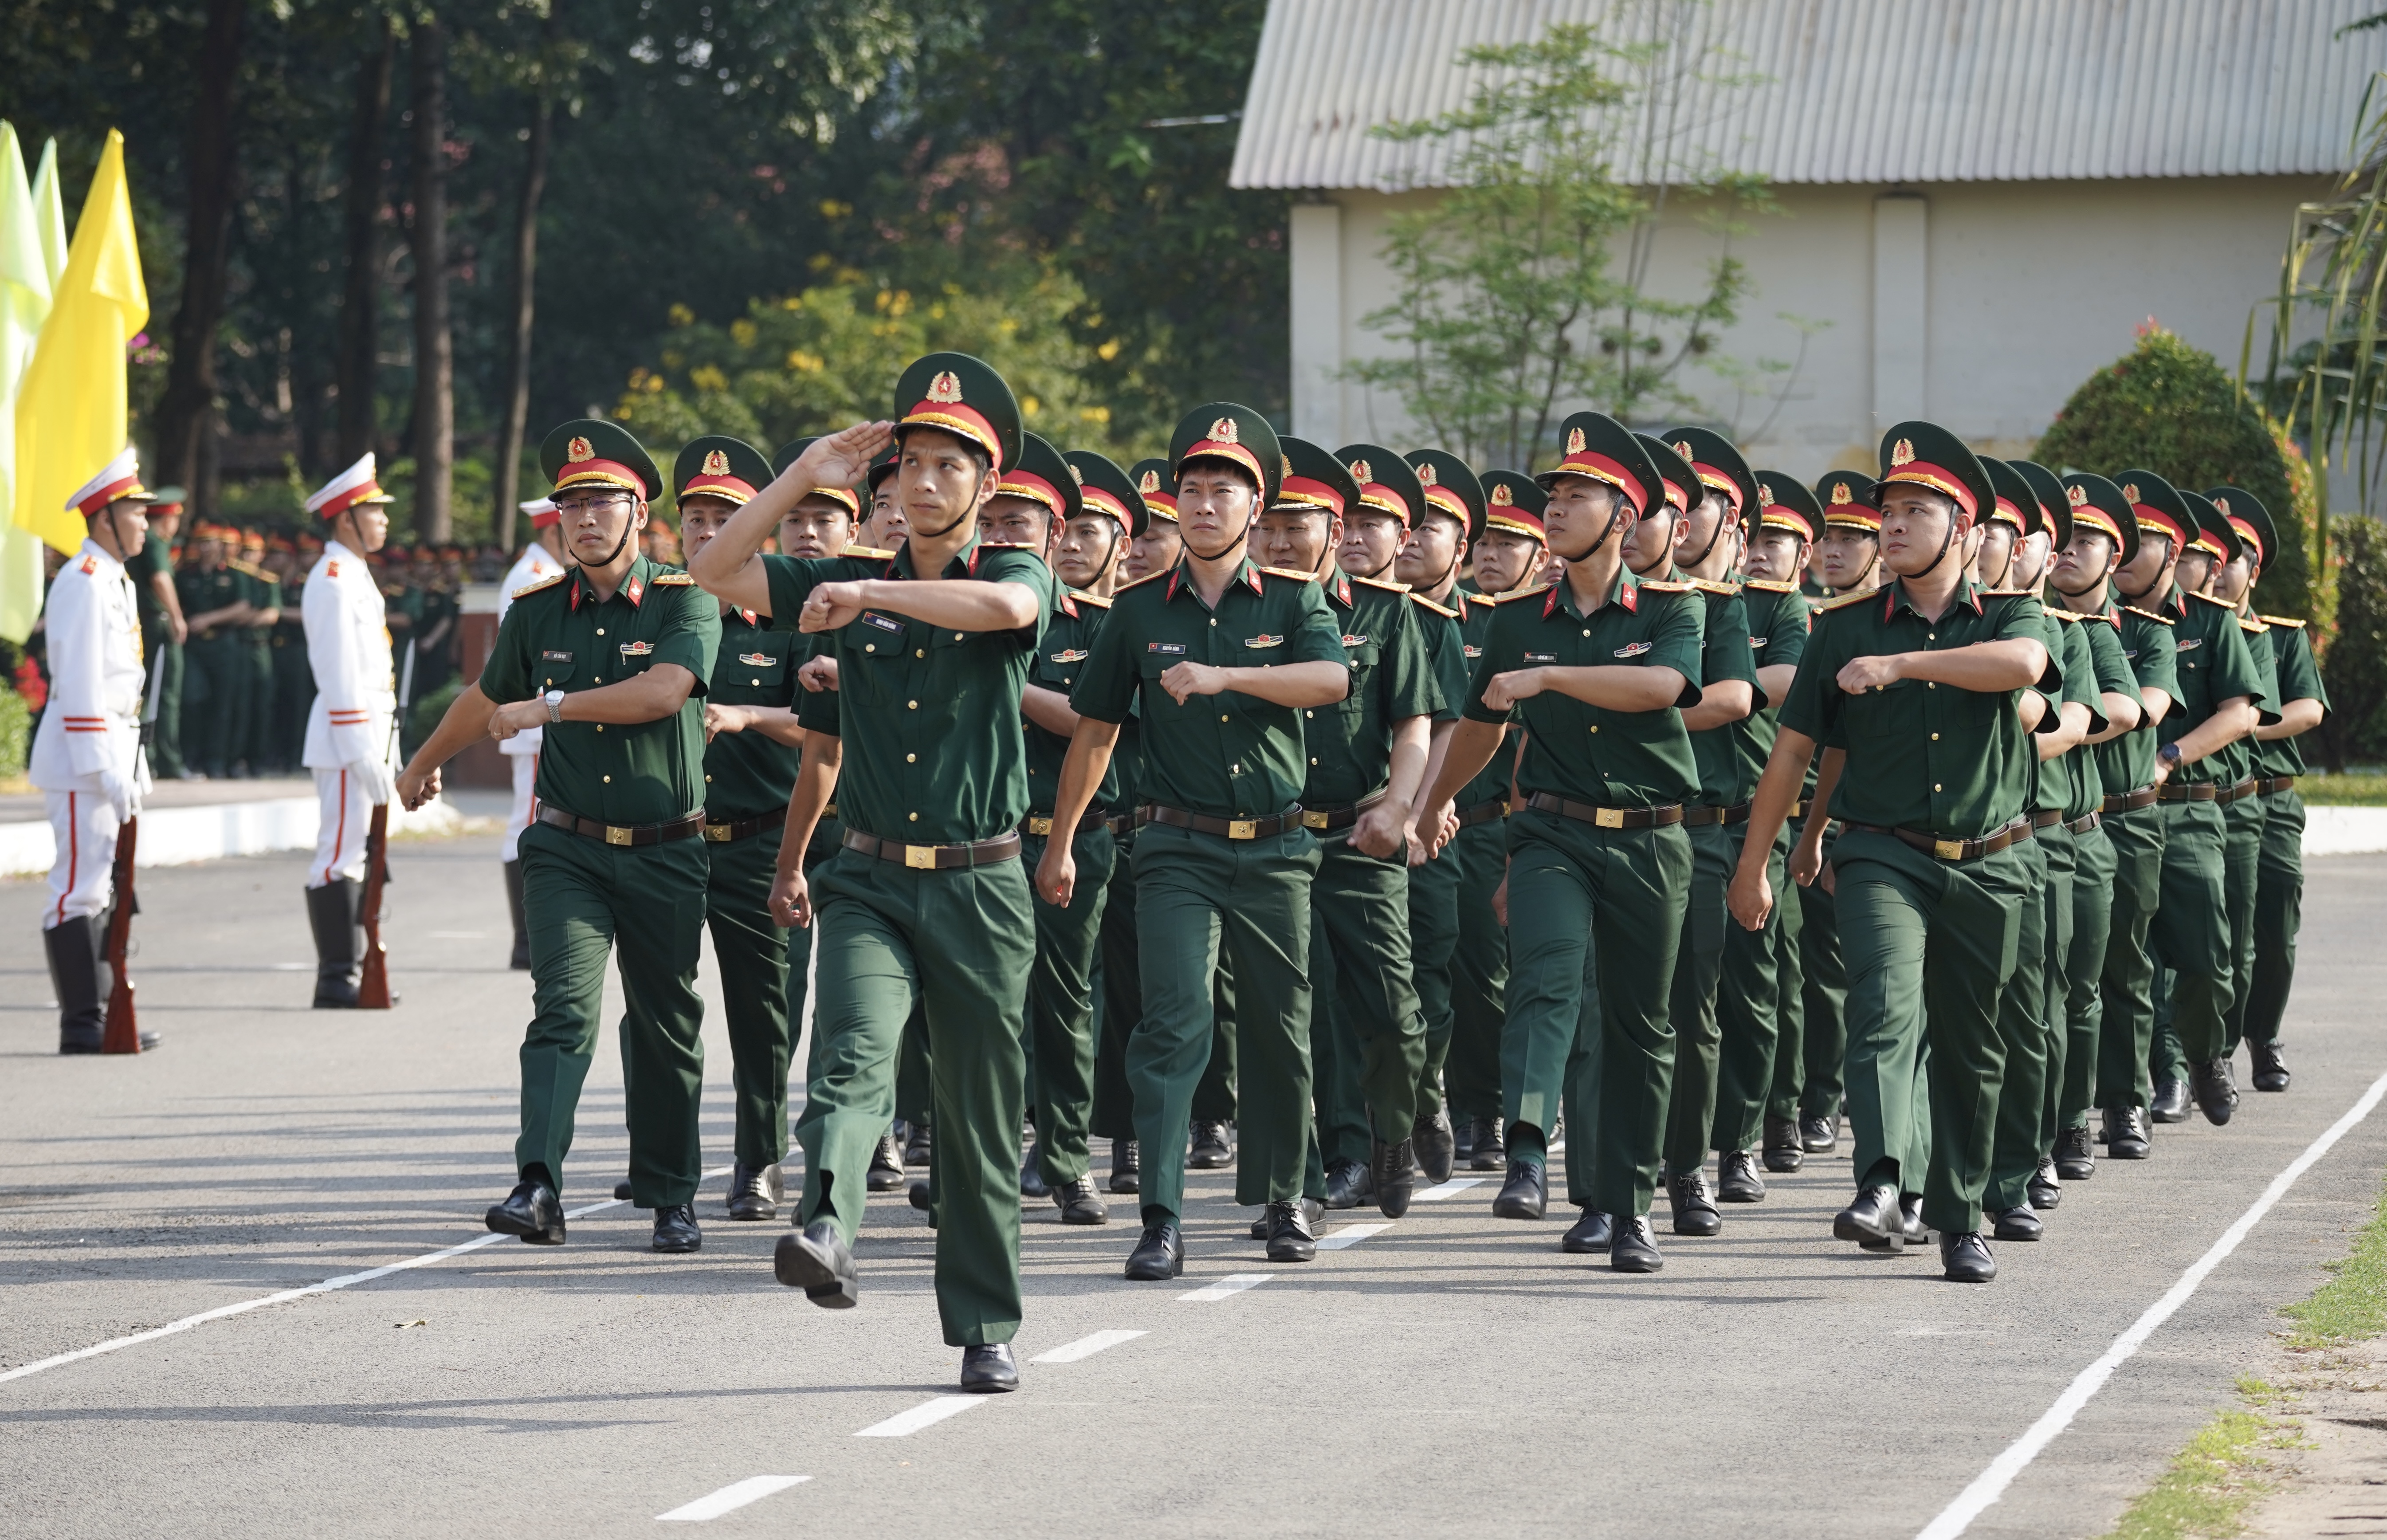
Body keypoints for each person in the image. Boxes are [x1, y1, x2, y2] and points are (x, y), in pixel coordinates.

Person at [688, 354, 1048, 1395]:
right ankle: (827, 1230)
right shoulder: (842, 578)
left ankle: (983, 1324)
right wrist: (803, 472)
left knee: (978, 1118)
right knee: (848, 1059)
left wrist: (867, 587)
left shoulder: (1013, 566)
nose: (923, 484)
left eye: (948, 466)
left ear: (985, 485)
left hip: (981, 887)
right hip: (872, 881)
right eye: (909, 466)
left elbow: (1009, 618)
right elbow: (716, 570)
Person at [1729, 423, 2060, 1285]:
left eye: (1918, 510)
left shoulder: (2013, 613)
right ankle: (1879, 1181)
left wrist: (1906, 664)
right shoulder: (1839, 631)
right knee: (1883, 1004)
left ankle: (1957, 1214)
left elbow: (2025, 664)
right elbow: (1795, 753)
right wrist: (1757, 859)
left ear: (1963, 525)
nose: (1896, 525)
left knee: (1971, 1042)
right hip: (1882, 852)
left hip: (1991, 860)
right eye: (1890, 511)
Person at [1039, 404, 1349, 1279]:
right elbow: (1095, 730)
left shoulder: (1295, 596)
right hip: (1175, 846)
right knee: (1174, 1022)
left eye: (1225, 491)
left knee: (1280, 1027)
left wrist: (1229, 676)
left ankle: (1286, 1196)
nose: (1205, 504)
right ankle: (1162, 1212)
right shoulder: (1136, 612)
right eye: (1192, 489)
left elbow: (1330, 678)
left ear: (1257, 509)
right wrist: (1063, 841)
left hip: (1278, 848)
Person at [399, 420, 720, 1257]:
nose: (581, 520)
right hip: (567, 846)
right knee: (562, 1011)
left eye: (599, 503)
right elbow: (486, 693)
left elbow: (661, 692)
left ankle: (669, 1194)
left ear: (637, 510)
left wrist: (552, 708)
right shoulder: (539, 611)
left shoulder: (687, 599)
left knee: (663, 1022)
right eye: (569, 505)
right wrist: (425, 761)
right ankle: (537, 1183)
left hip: (665, 847)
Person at [1415, 411, 1703, 1271]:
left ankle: (1630, 1204)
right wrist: (1434, 801)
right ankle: (1530, 1148)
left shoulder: (1670, 606)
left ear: (1622, 516)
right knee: (1545, 979)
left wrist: (1546, 676)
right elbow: (1479, 725)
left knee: (1640, 1026)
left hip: (1653, 840)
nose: (1556, 507)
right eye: (1555, 494)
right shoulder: (1512, 617)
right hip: (1550, 829)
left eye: (1577, 496)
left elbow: (1661, 687)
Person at [1260, 440, 1437, 1221]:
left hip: (1361, 840)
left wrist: (1400, 807)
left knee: (1394, 1012)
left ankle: (1393, 1133)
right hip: (1273, 839)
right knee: (1306, 1010)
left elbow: (1413, 725)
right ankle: (1341, 1156)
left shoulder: (1384, 611)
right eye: (1266, 526)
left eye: (1293, 526)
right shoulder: (1241, 610)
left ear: (1331, 531)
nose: (1275, 542)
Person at [668, 435, 817, 1224]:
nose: (704, 531)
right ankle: (661, 1157)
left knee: (765, 1015)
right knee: (659, 1005)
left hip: (760, 839)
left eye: (722, 516)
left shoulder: (787, 619)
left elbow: (825, 728)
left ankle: (759, 1159)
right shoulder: (659, 611)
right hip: (669, 840)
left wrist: (750, 716)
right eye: (694, 517)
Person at [2108, 475, 2264, 1135]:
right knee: (2128, 959)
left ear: (2172, 555)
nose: (2122, 556)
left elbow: (2240, 712)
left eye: (2138, 543)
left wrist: (2170, 754)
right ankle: (2160, 1078)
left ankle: (2204, 1055)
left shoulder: (2207, 621)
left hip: (2190, 808)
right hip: (2117, 812)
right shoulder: (2091, 620)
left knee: (2204, 958)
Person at [1011, 443, 1142, 1226]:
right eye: (991, 522)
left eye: (1018, 524)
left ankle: (1065, 1158)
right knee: (982, 1007)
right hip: (977, 836)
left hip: (1069, 832)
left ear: (1053, 535)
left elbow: (1095, 723)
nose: (1003, 536)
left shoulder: (1099, 625)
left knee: (1062, 1003)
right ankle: (980, 1158)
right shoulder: (947, 610)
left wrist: (1004, 680)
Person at [1634, 430, 1759, 1237]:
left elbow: (1735, 699)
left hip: (1706, 829)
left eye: (1689, 508)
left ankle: (1696, 1163)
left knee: (1696, 1007)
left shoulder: (1720, 608)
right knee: (1613, 1010)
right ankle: (1616, 1182)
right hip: (1591, 830)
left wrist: (1618, 699)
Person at [1975, 459, 2100, 1241]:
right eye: (1986, 528)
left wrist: (1982, 702)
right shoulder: (1921, 623)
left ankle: (2025, 1161)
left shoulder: (2062, 632)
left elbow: (2070, 722)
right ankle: (1913, 1181)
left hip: (2036, 838)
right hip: (1927, 844)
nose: (1997, 544)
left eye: (2009, 532)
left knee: (2029, 1014)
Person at [1436, 469, 1548, 1170]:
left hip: (1492, 821)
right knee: (1436, 970)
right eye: (1486, 541)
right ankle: (1454, 1103)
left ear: (1541, 556)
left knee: (1487, 975)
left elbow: (1524, 739)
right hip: (1433, 819)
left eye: (1511, 543)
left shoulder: (1530, 626)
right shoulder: (1457, 620)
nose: (1490, 554)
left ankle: (1488, 1108)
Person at [33, 448, 162, 1054]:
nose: (147, 523)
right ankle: (81, 1022)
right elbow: (80, 684)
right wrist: (103, 765)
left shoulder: (114, 579)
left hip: (112, 750)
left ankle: (106, 1011)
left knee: (104, 883)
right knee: (78, 887)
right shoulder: (82, 583)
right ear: (105, 517)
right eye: (137, 512)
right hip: (86, 759)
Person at [1775, 471, 1882, 1161]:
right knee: (1808, 970)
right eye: (1830, 539)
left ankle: (1832, 1099)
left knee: (1846, 973)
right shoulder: (1822, 626)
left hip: (1873, 823)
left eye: (1854, 539)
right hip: (1811, 816)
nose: (1835, 552)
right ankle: (1813, 1099)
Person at [1712, 472, 1815, 1183]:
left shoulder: (1782, 612)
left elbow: (1784, 682)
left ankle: (1754, 1126)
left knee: (1757, 984)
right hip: (1667, 818)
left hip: (1755, 818)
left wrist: (1705, 682)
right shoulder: (1668, 603)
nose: (1762, 553)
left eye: (1778, 540)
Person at [1394, 447, 1488, 1183]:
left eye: (1436, 526)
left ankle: (1428, 1094)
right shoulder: (1356, 615)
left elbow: (1464, 726)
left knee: (1432, 980)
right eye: (1409, 523)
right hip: (1357, 825)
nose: (1416, 537)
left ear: (1462, 546)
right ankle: (1364, 1135)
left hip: (1446, 828)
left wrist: (1429, 809)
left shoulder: (1476, 622)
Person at [2222, 490, 2329, 1092]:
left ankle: (2263, 1035)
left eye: (2233, 557)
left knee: (2274, 930)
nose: (2219, 566)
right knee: (2222, 936)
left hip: (2272, 796)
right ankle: (2209, 1050)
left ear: (2253, 569)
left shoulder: (2283, 638)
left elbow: (2308, 708)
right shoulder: (2194, 635)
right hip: (2218, 798)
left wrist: (2244, 726)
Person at [298, 457, 401, 1009]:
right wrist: (362, 747)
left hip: (367, 735)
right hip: (347, 741)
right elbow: (338, 675)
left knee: (357, 853)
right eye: (374, 511)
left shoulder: (354, 573)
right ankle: (336, 976)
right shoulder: (334, 580)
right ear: (345, 520)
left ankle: (353, 969)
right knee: (338, 854)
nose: (384, 520)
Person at [495, 497, 569, 969]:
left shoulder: (538, 569)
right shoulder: (536, 575)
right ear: (550, 534)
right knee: (526, 821)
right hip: (536, 721)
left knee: (533, 817)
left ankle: (529, 939)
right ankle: (525, 942)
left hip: (542, 719)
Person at [175, 522, 250, 779]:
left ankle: (217, 762)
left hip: (223, 644)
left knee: (223, 704)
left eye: (211, 542)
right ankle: (192, 758)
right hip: (195, 646)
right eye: (202, 542)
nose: (206, 548)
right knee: (194, 700)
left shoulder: (233, 574)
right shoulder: (186, 575)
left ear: (220, 545)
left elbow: (243, 607)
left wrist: (209, 619)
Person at [124, 487, 188, 779]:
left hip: (143, 622)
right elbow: (161, 579)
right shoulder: (156, 543)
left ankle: (148, 759)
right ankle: (168, 761)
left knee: (148, 690)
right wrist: (177, 616)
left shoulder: (146, 542)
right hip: (158, 623)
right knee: (166, 694)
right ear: (170, 518)